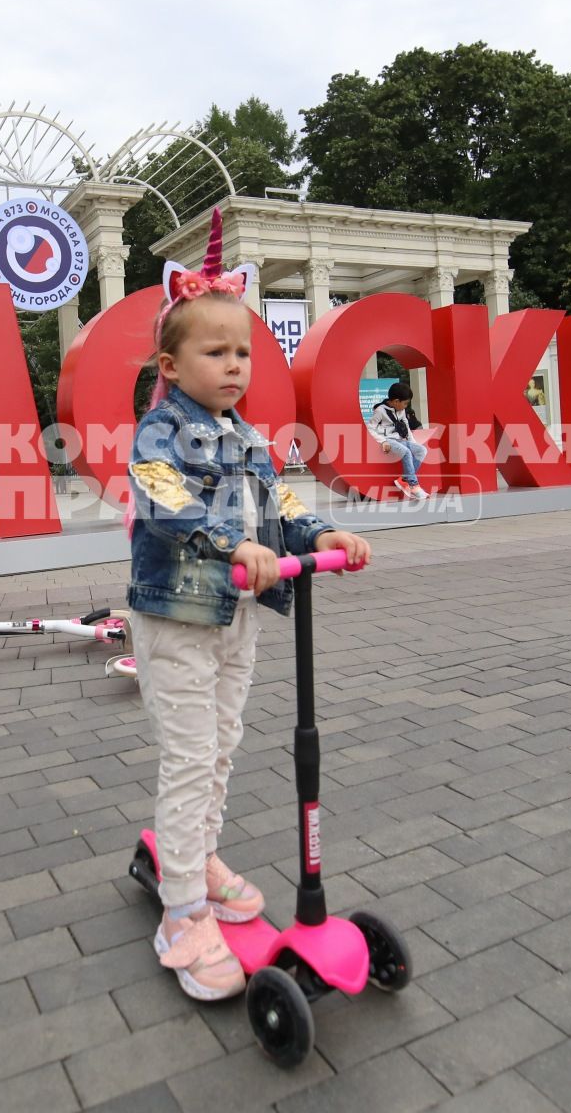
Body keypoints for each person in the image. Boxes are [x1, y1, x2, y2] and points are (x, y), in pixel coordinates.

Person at [126, 212, 371, 1000]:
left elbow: (278, 498)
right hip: (178, 618)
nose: (234, 367)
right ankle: (182, 913)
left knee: (222, 747)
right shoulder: (159, 433)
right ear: (172, 361)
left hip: (235, 616)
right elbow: (164, 504)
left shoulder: (246, 436)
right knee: (190, 756)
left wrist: (320, 528)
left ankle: (197, 856)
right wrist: (232, 547)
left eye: (243, 354)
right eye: (215, 352)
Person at [367, 380, 429, 501]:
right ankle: (414, 486)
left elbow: (406, 426)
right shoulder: (380, 411)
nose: (406, 406)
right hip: (388, 440)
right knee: (406, 452)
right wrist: (382, 441)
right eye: (405, 404)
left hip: (401, 440)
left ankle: (404, 480)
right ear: (396, 401)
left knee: (422, 450)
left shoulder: (401, 410)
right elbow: (370, 428)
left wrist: (413, 443)